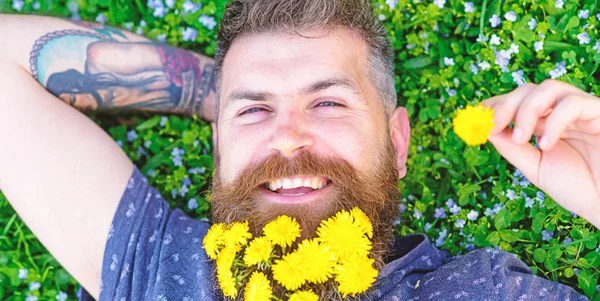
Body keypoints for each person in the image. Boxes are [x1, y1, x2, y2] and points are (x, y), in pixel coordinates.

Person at [0, 0, 598, 300]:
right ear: (217, 148)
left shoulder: (481, 294)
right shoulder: (163, 267)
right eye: (255, 112)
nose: (286, 138)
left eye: (329, 103)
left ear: (396, 143)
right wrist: (218, 92)